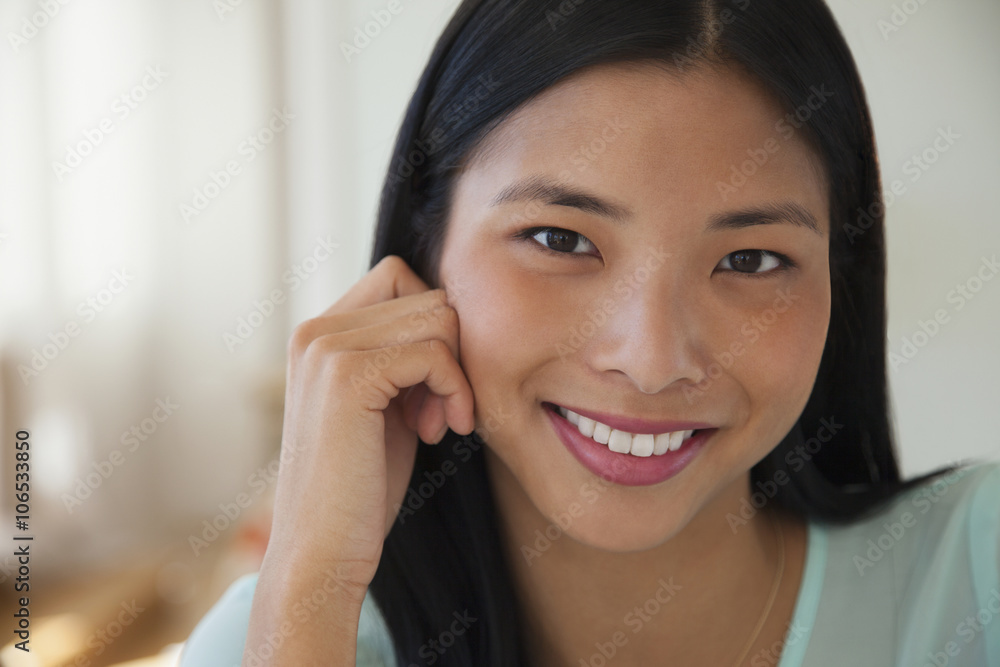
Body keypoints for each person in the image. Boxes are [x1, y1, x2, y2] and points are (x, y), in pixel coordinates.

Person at [179, 0, 1000, 665]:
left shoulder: (977, 577)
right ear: (424, 249)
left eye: (750, 258)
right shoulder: (282, 635)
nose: (650, 360)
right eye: (561, 240)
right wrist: (310, 585)